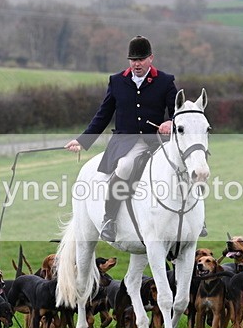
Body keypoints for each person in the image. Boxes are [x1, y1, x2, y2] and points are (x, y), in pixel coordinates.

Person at [65, 35, 176, 242]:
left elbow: (177, 111)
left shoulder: (165, 81)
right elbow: (103, 114)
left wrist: (171, 122)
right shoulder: (117, 81)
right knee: (124, 166)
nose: (136, 64)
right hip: (128, 143)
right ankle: (110, 219)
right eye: (133, 60)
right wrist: (83, 140)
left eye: (141, 59)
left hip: (157, 142)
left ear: (151, 58)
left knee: (183, 166)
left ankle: (194, 220)